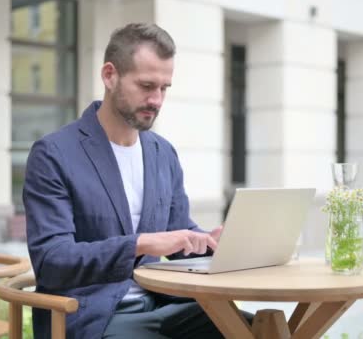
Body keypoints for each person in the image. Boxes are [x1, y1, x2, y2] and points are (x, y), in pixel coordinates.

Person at [24, 23, 242, 339]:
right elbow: (53, 261)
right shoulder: (54, 154)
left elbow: (179, 232)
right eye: (146, 86)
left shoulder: (162, 152)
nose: (157, 99)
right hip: (91, 315)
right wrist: (141, 243)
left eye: (164, 88)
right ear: (110, 76)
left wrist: (213, 243)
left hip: (162, 303)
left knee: (257, 329)